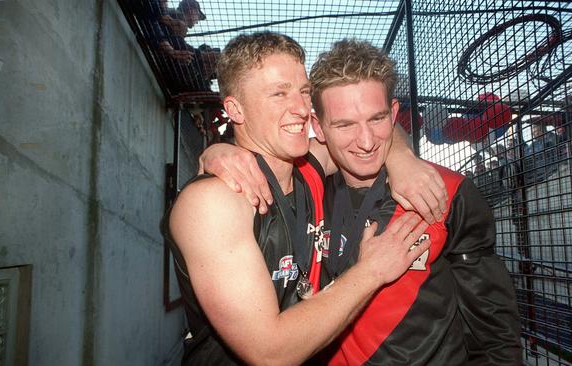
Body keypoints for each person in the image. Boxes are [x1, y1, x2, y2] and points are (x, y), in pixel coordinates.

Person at [206, 38, 522, 365]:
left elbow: (494, 327)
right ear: (319, 128)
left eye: (376, 119)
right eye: (344, 125)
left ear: (394, 114)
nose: (367, 141)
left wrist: (401, 155)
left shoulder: (448, 192)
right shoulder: (305, 188)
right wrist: (219, 151)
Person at [166, 31, 446, 365]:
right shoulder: (213, 203)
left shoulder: (310, 166)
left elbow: (370, 128)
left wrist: (402, 159)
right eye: (279, 94)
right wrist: (372, 270)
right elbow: (269, 353)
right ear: (235, 109)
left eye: (303, 91)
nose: (301, 108)